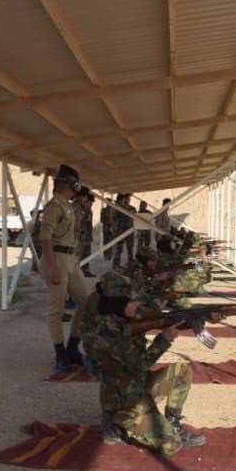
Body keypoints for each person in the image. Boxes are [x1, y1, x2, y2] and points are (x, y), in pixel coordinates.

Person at [84, 282, 206, 455]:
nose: (137, 306)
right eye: (131, 302)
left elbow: (165, 319)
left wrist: (199, 317)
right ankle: (117, 425)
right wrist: (163, 340)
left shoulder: (127, 315)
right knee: (171, 445)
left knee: (182, 371)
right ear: (117, 304)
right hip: (124, 402)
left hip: (139, 388)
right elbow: (139, 365)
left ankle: (173, 423)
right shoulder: (107, 334)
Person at [37, 164, 91, 373]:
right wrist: (52, 267)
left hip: (70, 259)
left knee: (86, 302)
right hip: (56, 258)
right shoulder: (53, 206)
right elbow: (45, 238)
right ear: (66, 184)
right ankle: (60, 354)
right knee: (57, 310)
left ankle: (72, 346)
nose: (76, 188)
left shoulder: (68, 206)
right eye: (74, 183)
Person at [73, 186, 95, 277]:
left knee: (86, 253)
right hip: (77, 238)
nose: (90, 204)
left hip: (85, 236)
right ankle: (77, 272)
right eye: (86, 200)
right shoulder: (75, 208)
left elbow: (89, 224)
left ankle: (85, 270)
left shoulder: (87, 211)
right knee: (77, 255)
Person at [109, 193, 134, 268]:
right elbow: (113, 220)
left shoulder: (132, 208)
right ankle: (116, 265)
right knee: (118, 249)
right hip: (119, 232)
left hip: (129, 231)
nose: (127, 200)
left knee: (130, 248)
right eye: (126, 199)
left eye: (128, 199)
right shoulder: (116, 208)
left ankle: (131, 263)